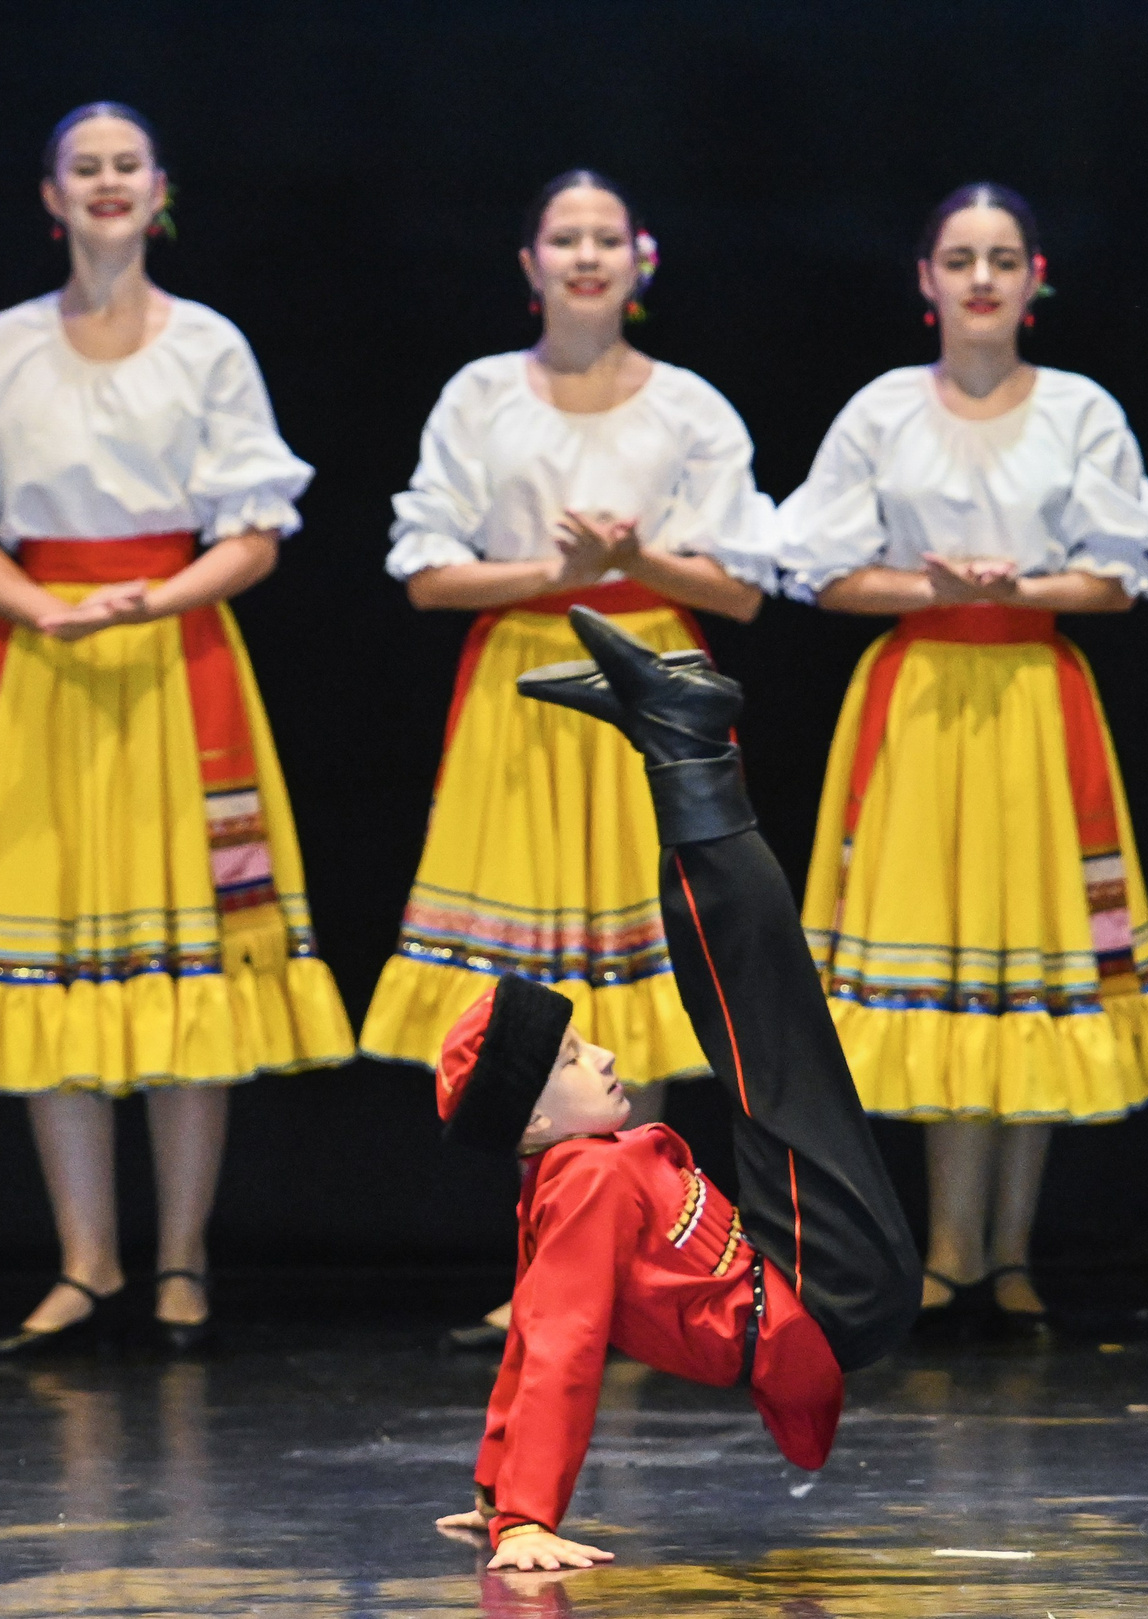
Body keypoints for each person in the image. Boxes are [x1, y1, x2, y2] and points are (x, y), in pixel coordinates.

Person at [0, 103, 355, 1354]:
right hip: (41, 659)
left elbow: (255, 530)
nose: (105, 183)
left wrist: (160, 594)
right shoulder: (0, 348)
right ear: (52, 195)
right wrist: (40, 603)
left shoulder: (207, 347)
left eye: (125, 166)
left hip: (172, 660)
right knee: (56, 960)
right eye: (82, 167)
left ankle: (182, 1257)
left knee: (182, 958)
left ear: (159, 192)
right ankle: (86, 1259)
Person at [356, 171, 777, 1349]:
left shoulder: (688, 406)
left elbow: (743, 584)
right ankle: (549, 1263)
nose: (586, 256)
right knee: (531, 976)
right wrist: (552, 572)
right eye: (563, 237)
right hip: (528, 689)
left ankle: (648, 1259)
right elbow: (427, 571)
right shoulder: (483, 396)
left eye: (607, 238)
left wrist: (636, 553)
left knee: (649, 962)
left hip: (648, 678)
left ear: (641, 258)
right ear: (530, 260)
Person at [776, 183, 1148, 1332]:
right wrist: (931, 587)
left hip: (1031, 698)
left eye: (1001, 258)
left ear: (1033, 278)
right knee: (944, 964)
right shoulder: (881, 412)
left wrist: (1017, 585)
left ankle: (1008, 1253)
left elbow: (1122, 576)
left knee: (1029, 969)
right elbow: (816, 571)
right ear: (925, 279)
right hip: (917, 699)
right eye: (958, 257)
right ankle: (948, 1249)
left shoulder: (1077, 410)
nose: (980, 278)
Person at [433, 609, 922, 1569]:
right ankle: (685, 741)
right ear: (533, 1118)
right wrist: (526, 1514)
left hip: (814, 1283)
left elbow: (529, 1335)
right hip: (826, 1291)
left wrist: (497, 1492)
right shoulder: (583, 1184)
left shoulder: (568, 1179)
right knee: (760, 1014)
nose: (606, 1058)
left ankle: (681, 745)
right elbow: (560, 1344)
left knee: (754, 1005)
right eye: (572, 1061)